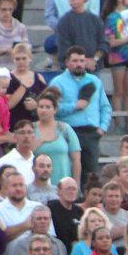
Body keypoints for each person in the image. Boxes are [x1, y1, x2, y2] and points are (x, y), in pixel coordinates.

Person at [50, 47, 111, 185]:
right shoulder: (57, 82)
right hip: (68, 132)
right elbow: (52, 108)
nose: (79, 64)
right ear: (67, 62)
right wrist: (74, 106)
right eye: (75, 60)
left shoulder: (95, 81)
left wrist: (102, 127)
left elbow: (105, 107)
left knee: (91, 174)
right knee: (70, 171)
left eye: (82, 60)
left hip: (92, 133)